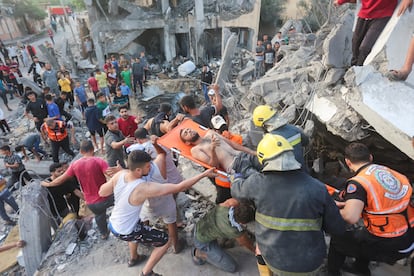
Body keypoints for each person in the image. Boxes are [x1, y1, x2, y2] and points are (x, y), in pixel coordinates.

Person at [231, 134, 346, 275]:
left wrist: (237, 177)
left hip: (274, 258)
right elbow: (337, 228)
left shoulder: (257, 183)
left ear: (263, 161)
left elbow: (236, 190)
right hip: (309, 263)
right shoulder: (318, 188)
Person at [99, 150, 216, 275]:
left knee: (139, 228)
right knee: (164, 241)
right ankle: (146, 272)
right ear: (138, 170)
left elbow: (102, 192)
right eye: (148, 166)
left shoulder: (120, 175)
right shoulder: (143, 188)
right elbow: (179, 187)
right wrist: (203, 175)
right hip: (127, 230)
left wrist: (118, 179)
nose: (150, 168)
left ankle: (134, 258)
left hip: (113, 223)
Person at [327, 142, 414, 276]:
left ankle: (332, 273)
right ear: (371, 157)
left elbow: (351, 217)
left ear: (348, 162)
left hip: (392, 244)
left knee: (339, 240)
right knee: (363, 234)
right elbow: (385, 204)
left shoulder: (359, 183)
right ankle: (360, 268)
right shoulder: (389, 172)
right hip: (409, 234)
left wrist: (333, 210)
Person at [41, 140, 116, 240]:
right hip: (105, 197)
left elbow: (59, 180)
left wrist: (47, 183)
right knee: (121, 200)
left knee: (99, 215)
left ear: (81, 151)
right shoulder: (99, 161)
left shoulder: (74, 165)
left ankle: (104, 234)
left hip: (91, 202)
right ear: (93, 149)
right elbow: (112, 175)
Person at [179, 127, 257, 203]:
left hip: (243, 155)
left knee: (267, 165)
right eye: (186, 133)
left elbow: (233, 144)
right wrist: (212, 149)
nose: (189, 131)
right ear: (187, 142)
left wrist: (251, 152)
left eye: (189, 129)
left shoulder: (210, 133)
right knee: (258, 177)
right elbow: (214, 166)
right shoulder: (196, 150)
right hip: (235, 166)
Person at [334, 0, 413, 66]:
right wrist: (340, 1)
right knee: (355, 42)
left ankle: (358, 70)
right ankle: (353, 67)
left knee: (365, 47)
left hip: (383, 13)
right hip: (365, 12)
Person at [192, 198, 255, 272]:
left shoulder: (228, 204)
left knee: (221, 232)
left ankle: (219, 245)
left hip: (202, 226)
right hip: (202, 241)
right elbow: (248, 244)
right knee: (232, 267)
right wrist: (256, 252)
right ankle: (198, 253)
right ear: (242, 223)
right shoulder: (234, 231)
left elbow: (237, 201)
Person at [253, 105, 309, 170]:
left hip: (287, 176)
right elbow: (306, 142)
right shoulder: (293, 128)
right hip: (303, 171)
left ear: (263, 125)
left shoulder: (270, 141)